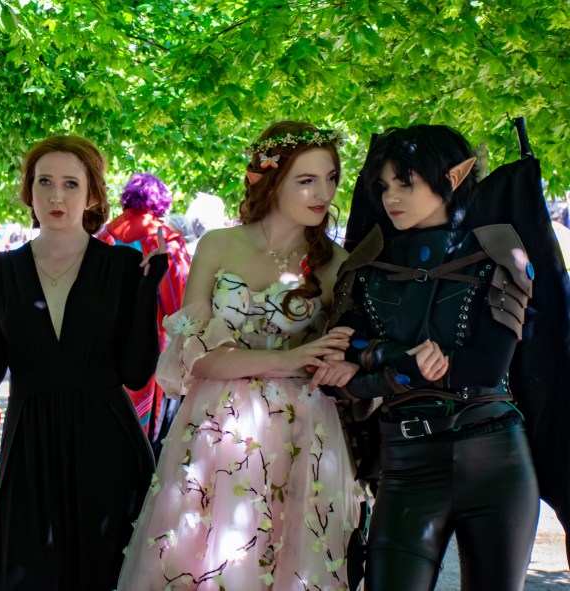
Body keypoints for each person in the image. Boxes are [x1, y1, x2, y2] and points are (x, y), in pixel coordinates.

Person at [0, 135, 167, 590]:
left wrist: (148, 295)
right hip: (30, 447)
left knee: (107, 575)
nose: (56, 196)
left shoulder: (123, 267)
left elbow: (135, 374)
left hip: (108, 448)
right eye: (44, 182)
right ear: (28, 191)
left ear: (92, 195)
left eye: (71, 184)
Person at [119, 121, 361, 591]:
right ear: (271, 180)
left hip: (304, 430)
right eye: (306, 180)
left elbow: (337, 356)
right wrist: (293, 359)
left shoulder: (337, 263)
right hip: (219, 425)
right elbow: (197, 357)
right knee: (210, 560)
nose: (323, 193)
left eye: (331, 178)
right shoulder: (217, 245)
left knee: (293, 562)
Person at [326, 125, 544, 590]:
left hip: (495, 463)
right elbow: (338, 369)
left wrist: (376, 364)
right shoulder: (366, 264)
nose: (391, 198)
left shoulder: (497, 251)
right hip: (405, 466)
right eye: (384, 186)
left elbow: (486, 366)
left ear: (455, 176)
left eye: (405, 183)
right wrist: (402, 360)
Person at [97, 172, 191, 454]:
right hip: (153, 339)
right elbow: (181, 302)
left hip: (106, 340)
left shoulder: (104, 236)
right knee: (148, 433)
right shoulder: (167, 240)